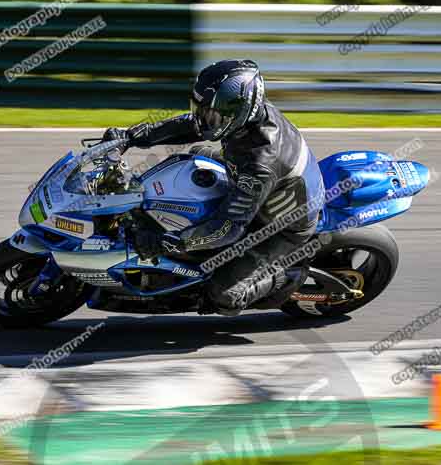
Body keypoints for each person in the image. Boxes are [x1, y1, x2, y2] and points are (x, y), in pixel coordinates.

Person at [104, 59, 324, 315]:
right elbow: (191, 125)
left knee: (223, 295)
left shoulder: (260, 163)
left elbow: (226, 230)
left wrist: (165, 244)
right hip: (258, 182)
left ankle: (288, 274)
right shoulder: (246, 117)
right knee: (193, 156)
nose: (202, 118)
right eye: (202, 109)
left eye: (210, 114)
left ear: (238, 111)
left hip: (282, 227)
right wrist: (131, 137)